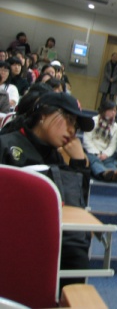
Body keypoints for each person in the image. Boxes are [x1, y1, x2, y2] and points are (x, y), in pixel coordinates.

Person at [0, 92, 95, 284]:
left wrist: (79, 163)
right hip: (10, 241)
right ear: (43, 114)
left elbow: (75, 208)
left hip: (47, 242)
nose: (72, 130)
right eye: (68, 120)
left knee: (76, 253)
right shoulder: (6, 144)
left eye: (76, 126)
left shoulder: (56, 156)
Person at [83, 100, 117, 181]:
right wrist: (97, 153)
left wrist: (105, 154)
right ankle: (103, 173)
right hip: (91, 151)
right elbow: (87, 140)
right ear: (104, 110)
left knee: (108, 162)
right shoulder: (94, 120)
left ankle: (115, 173)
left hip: (105, 152)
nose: (113, 113)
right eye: (111, 110)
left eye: (115, 111)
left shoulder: (115, 126)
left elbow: (113, 145)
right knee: (94, 160)